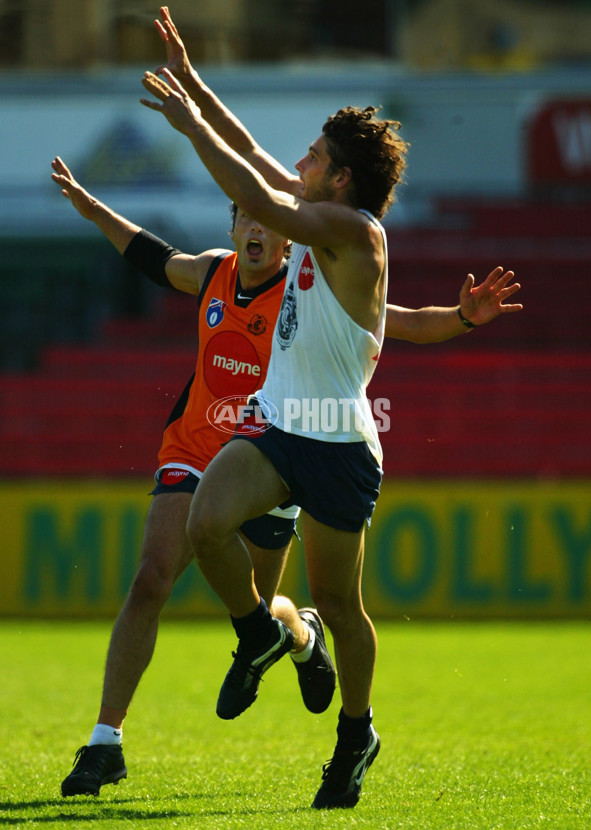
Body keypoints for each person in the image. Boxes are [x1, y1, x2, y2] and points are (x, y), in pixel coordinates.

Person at [139, 6, 522, 810]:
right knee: (206, 523)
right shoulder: (324, 221)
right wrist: (197, 80)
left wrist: (183, 124)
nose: (302, 159)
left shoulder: (353, 232)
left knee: (344, 608)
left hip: (341, 445)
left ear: (341, 179)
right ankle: (260, 632)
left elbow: (255, 191)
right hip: (280, 425)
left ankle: (356, 731)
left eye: (314, 153)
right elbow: (251, 160)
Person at [51, 159, 337, 798]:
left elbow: (379, 316)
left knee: (264, 611)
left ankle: (302, 635)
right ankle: (105, 743)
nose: (255, 231)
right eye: (245, 219)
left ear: (289, 238)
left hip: (270, 463)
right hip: (195, 451)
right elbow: (153, 258)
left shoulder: (305, 292)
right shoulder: (213, 271)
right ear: (234, 226)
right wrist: (94, 210)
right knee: (151, 579)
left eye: (269, 222)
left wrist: (451, 319)